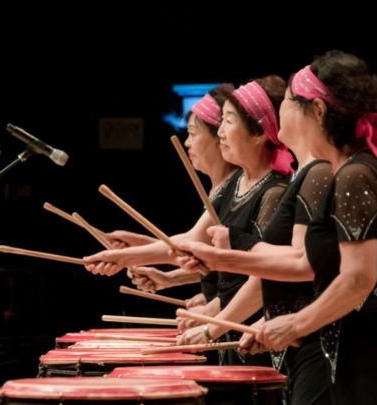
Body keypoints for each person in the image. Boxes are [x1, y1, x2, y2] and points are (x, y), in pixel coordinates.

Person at [177, 50, 377, 404]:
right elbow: (303, 261)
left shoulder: (355, 174)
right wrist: (221, 259)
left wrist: (295, 323)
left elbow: (357, 279)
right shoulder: (346, 171)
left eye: (288, 101)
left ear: (317, 110)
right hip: (363, 347)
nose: (280, 111)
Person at [84, 76, 293, 366]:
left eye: (228, 122)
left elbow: (263, 278)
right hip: (232, 329)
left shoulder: (274, 192)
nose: (221, 132)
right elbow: (194, 243)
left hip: (256, 338)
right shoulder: (234, 186)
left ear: (258, 133)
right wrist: (139, 255)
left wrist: (212, 321)